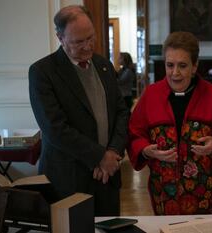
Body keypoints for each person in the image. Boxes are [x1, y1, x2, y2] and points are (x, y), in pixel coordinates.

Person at [29, 5, 129, 216]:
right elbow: (55, 128)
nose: (87, 46)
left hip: (107, 176)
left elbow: (121, 112)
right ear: (60, 37)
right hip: (69, 181)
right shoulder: (42, 72)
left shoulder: (104, 65)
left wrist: (113, 153)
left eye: (90, 38)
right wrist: (100, 157)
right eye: (78, 41)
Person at [127, 31, 212, 215]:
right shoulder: (151, 95)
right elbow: (134, 134)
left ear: (195, 66)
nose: (175, 73)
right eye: (170, 65)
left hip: (204, 193)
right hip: (163, 193)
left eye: (183, 66)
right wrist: (146, 150)